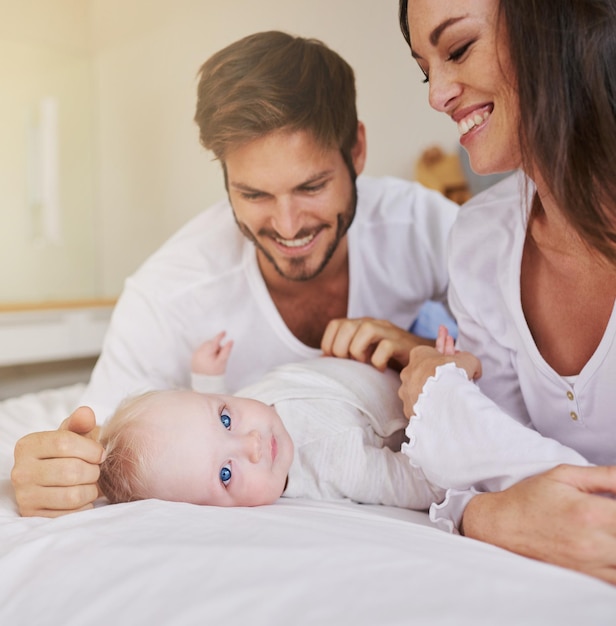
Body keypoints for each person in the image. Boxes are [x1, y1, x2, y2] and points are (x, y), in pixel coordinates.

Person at [11, 30, 459, 518]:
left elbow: (527, 377)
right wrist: (51, 474)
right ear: (225, 178)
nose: (288, 226)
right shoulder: (169, 292)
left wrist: (416, 353)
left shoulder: (422, 227)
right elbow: (100, 447)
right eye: (255, 195)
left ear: (356, 152)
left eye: (311, 186)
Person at [396, 0, 616, 584]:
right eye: (425, 68)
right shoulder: (480, 240)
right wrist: (496, 515)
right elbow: (490, 475)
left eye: (459, 48)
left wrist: (505, 517)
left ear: (558, 27)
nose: (436, 94)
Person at [97, 335, 444, 510]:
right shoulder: (335, 463)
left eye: (226, 418)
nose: (252, 443)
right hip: (423, 389)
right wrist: (448, 399)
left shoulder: (250, 403)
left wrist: (206, 379)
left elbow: (199, 422)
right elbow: (429, 486)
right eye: (226, 474)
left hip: (390, 350)